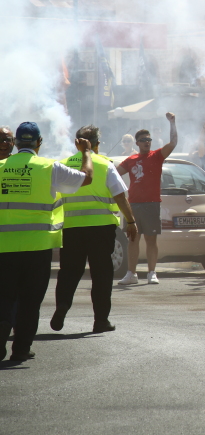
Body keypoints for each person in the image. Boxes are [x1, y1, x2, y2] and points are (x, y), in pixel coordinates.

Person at [0, 122, 93, 362]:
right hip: (37, 246)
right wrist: (86, 153)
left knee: (4, 297)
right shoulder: (49, 167)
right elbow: (86, 179)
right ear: (39, 143)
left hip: (3, 247)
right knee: (31, 300)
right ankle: (20, 349)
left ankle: (1, 335)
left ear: (16, 143)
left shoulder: (0, 167)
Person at [51, 125, 138, 334]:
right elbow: (120, 196)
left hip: (71, 228)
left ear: (76, 143)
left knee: (69, 272)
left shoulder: (62, 165)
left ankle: (62, 306)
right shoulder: (104, 164)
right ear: (97, 144)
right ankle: (101, 320)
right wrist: (131, 221)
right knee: (101, 274)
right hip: (101, 229)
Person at [116, 113, 178, 285]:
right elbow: (114, 173)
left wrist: (172, 123)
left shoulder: (157, 156)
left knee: (151, 239)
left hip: (151, 203)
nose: (147, 142)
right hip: (133, 204)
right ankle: (131, 274)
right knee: (133, 239)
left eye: (149, 139)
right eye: (143, 139)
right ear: (137, 143)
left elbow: (173, 143)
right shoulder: (131, 159)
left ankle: (152, 273)